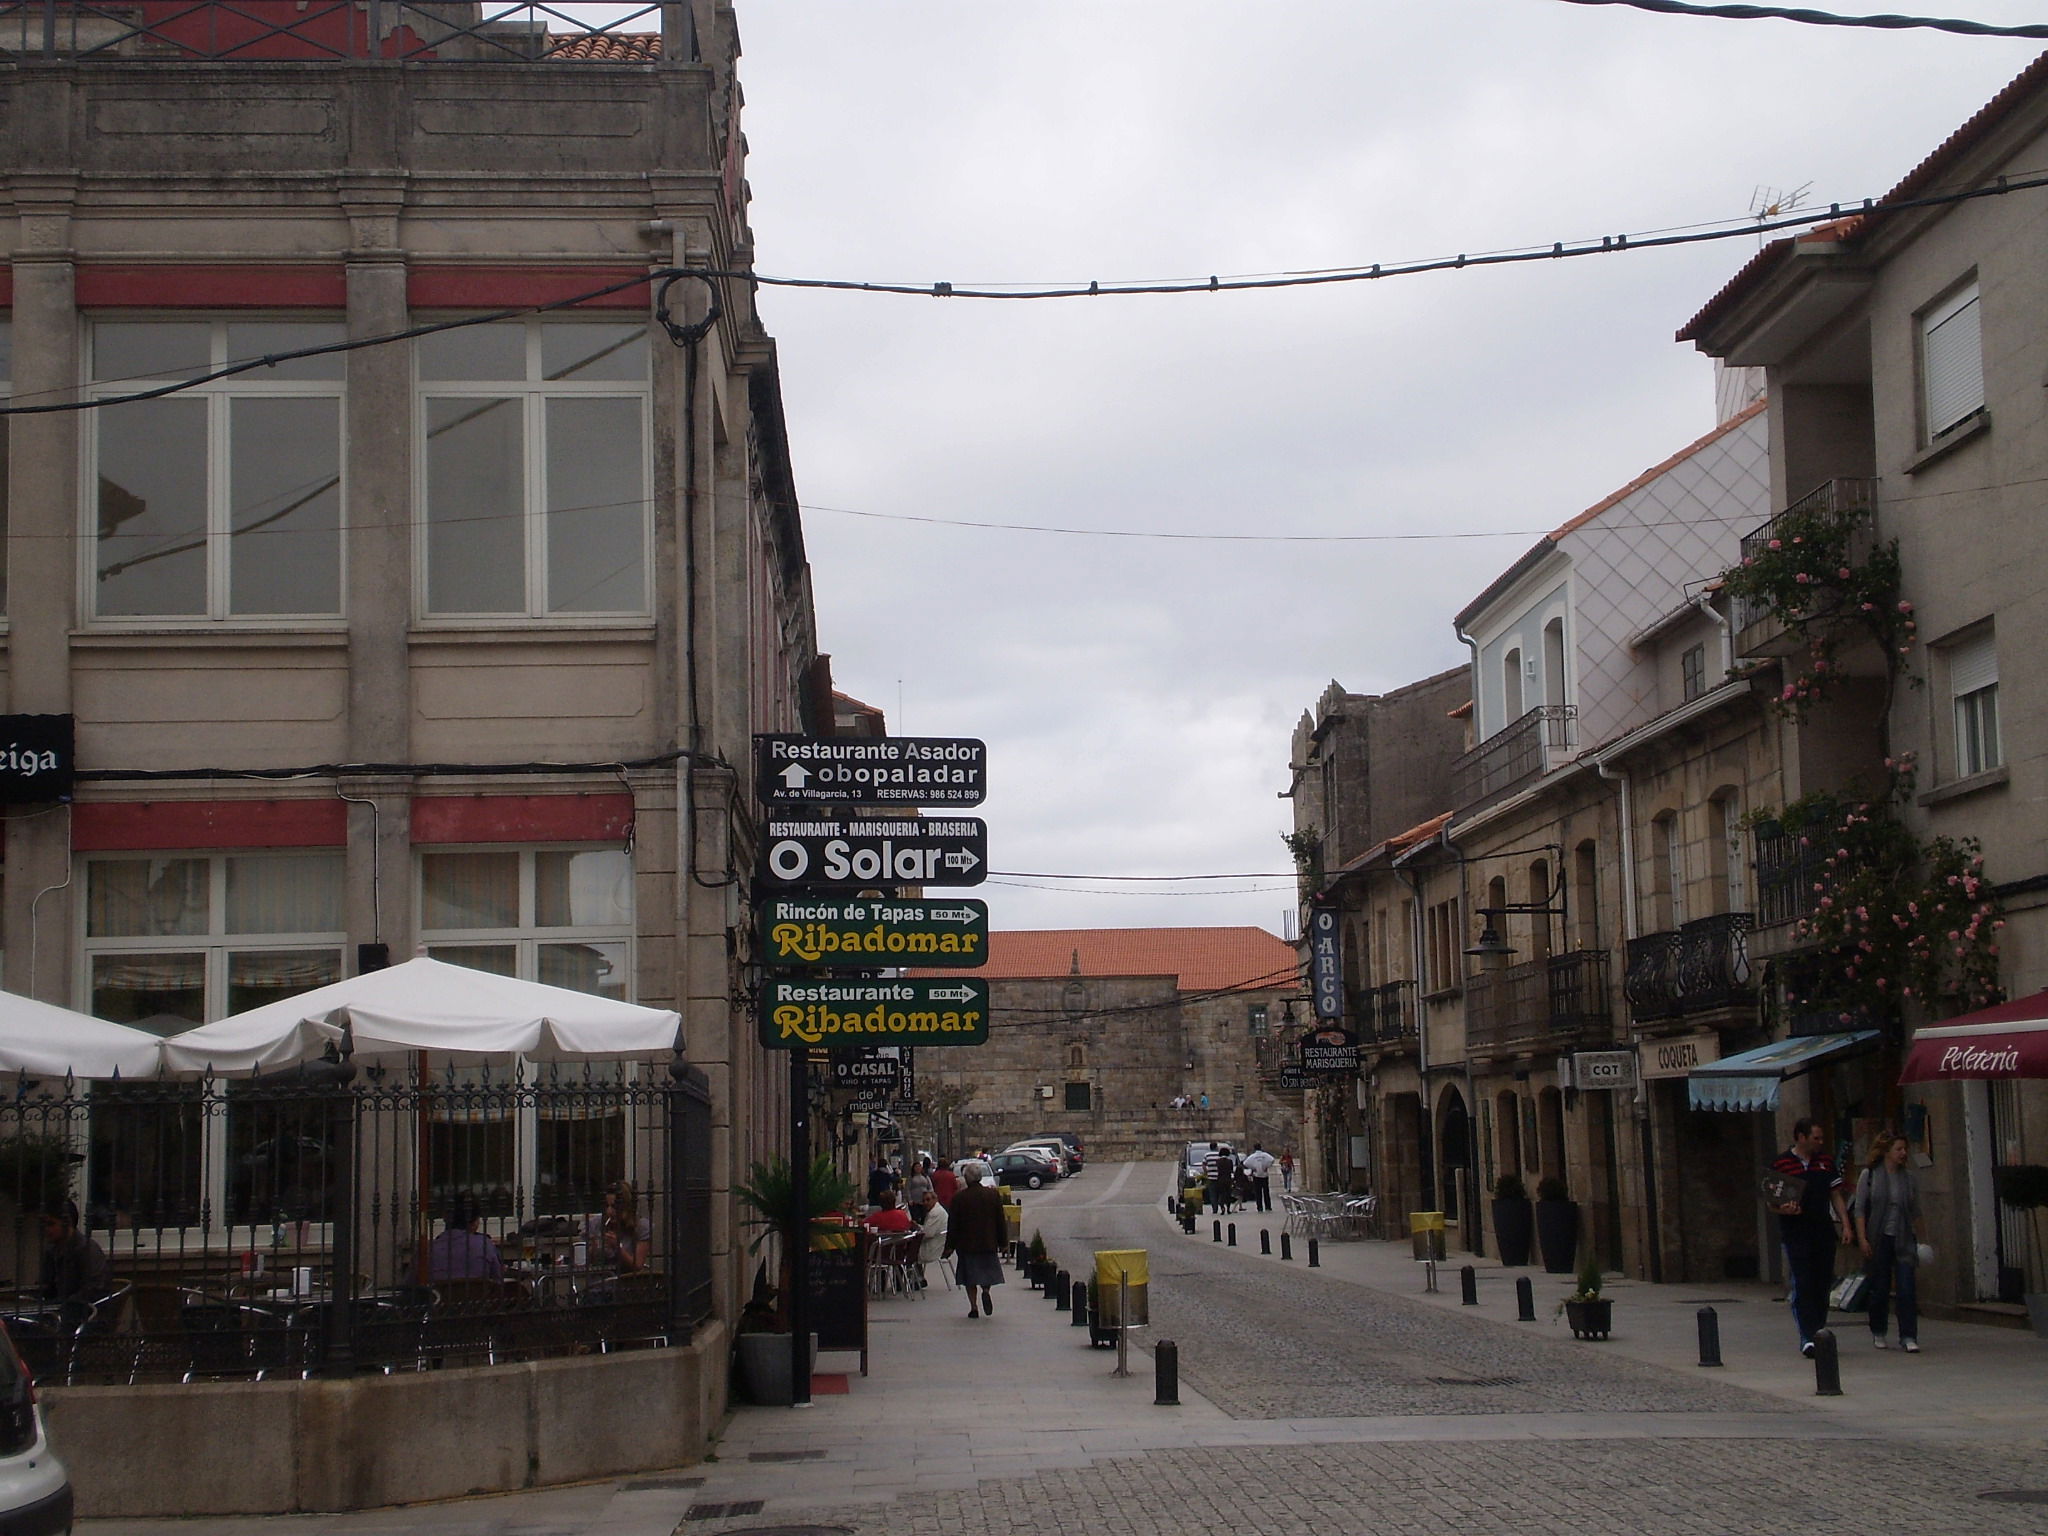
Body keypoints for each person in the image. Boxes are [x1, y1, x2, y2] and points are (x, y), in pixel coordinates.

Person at [1770, 1118, 1850, 1357]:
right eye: (1816, 1137)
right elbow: (1772, 1202)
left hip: (1823, 1230)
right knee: (1803, 1282)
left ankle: (1820, 1329)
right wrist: (1784, 1209)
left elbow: (1835, 1195)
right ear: (1801, 1137)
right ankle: (1808, 1335)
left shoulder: (1825, 1162)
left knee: (1822, 1282)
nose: (1820, 1142)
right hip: (1796, 1232)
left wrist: (1845, 1224)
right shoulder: (1782, 1164)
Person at [1854, 1130, 1924, 1353]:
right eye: (1899, 1149)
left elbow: (1916, 1211)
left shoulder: (1909, 1178)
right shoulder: (1870, 1175)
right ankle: (1879, 1330)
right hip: (1879, 1237)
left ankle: (1908, 1335)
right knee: (1880, 1288)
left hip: (1903, 1238)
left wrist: (1923, 1241)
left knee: (1906, 1288)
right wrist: (1863, 1238)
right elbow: (1859, 1209)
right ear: (1887, 1152)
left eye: (1905, 1149)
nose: (1903, 1153)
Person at [942, 1158, 1006, 1319]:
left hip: (967, 1244)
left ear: (966, 1179)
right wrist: (1003, 1242)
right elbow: (1000, 1220)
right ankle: (985, 1290)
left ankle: (974, 1307)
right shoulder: (992, 1195)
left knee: (970, 1277)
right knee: (986, 1272)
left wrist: (949, 1246)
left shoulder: (959, 1198)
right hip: (988, 1241)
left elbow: (953, 1224)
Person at [37, 1200, 109, 1307]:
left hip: (86, 1313)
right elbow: (46, 1286)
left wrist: (58, 1305)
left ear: (67, 1223)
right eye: (43, 1224)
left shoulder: (86, 1249)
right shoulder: (51, 1250)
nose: (46, 1229)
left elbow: (94, 1291)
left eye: (51, 1224)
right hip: (58, 1310)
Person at [428, 1202, 504, 1283]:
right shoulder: (484, 1245)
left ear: (445, 1219)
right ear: (474, 1222)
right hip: (478, 1294)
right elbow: (497, 1280)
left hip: (439, 1294)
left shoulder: (428, 1250)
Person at [587, 1179, 653, 1272]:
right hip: (601, 1281)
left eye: (614, 1206)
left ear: (627, 1206)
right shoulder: (596, 1224)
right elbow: (585, 1263)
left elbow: (637, 1266)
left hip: (626, 1281)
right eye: (607, 1206)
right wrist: (592, 1249)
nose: (609, 1211)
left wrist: (617, 1247)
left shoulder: (641, 1227)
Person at [1241, 1143, 1277, 1212]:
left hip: (1256, 1175)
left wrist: (1253, 1167)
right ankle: (1268, 1206)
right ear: (1261, 1148)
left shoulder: (1252, 1156)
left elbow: (1245, 1163)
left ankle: (1259, 1207)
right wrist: (1267, 1166)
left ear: (1254, 1148)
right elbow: (1272, 1160)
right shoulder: (1265, 1155)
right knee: (1266, 1191)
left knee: (1258, 1192)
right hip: (1264, 1175)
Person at [903, 1158, 934, 1223]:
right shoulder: (911, 1177)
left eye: (919, 1167)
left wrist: (931, 1196)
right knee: (916, 1218)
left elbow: (930, 1187)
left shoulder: (925, 1177)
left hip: (924, 1201)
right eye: (916, 1167)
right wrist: (909, 1199)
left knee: (924, 1217)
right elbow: (907, 1189)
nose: (918, 1168)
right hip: (914, 1202)